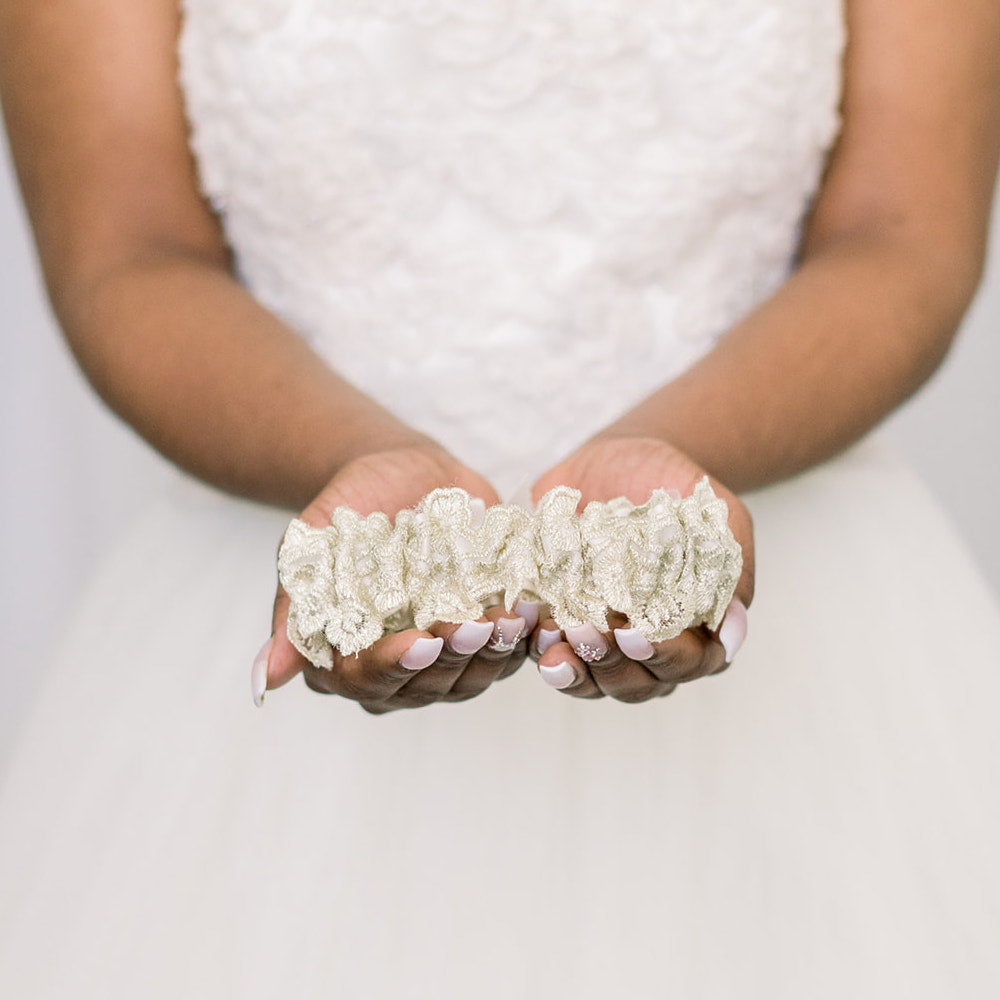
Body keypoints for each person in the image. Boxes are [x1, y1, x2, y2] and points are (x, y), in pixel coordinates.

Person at [1, 0, 999, 996]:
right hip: (287, 564)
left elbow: (902, 231)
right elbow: (126, 250)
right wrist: (362, 485)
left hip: (811, 627)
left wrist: (675, 484)